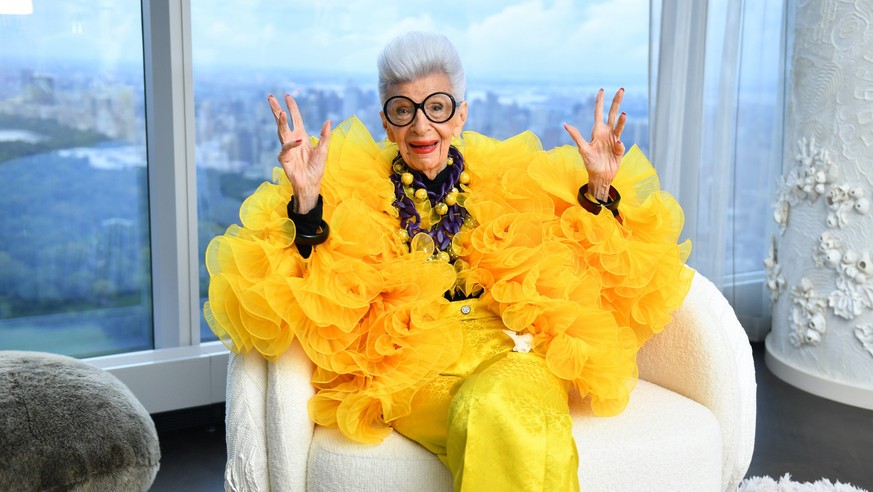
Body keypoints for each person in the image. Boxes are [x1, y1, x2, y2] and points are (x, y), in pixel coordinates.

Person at [204, 31, 693, 491]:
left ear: (459, 115)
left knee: (498, 405)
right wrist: (308, 203)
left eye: (436, 108)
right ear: (386, 122)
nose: (421, 126)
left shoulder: (508, 176)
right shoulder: (350, 187)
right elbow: (304, 285)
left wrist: (601, 189)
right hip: (412, 371)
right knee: (502, 419)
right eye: (403, 110)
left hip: (510, 349)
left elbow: (584, 258)